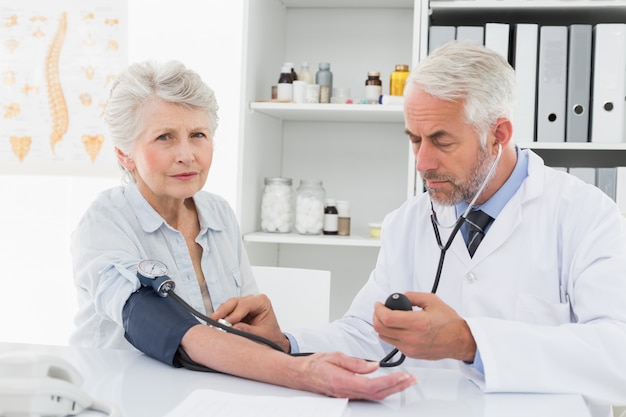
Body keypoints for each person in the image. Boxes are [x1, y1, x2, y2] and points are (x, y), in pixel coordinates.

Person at [212, 41, 626, 416]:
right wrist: (286, 345)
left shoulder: (585, 216)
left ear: (497, 135)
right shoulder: (408, 222)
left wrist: (470, 341)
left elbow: (617, 355)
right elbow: (367, 333)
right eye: (414, 140)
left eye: (442, 142)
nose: (422, 162)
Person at [70, 60, 415, 400]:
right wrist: (299, 372)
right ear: (124, 154)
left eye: (198, 135)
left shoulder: (218, 214)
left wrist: (275, 341)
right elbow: (153, 321)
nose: (187, 155)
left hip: (207, 396)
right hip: (119, 400)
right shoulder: (105, 222)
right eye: (165, 137)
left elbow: (244, 334)